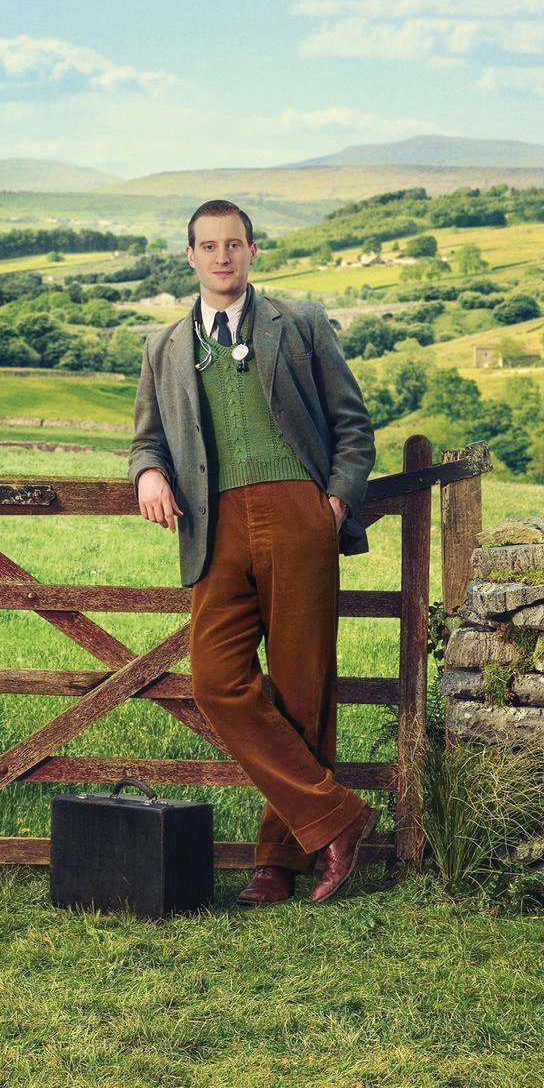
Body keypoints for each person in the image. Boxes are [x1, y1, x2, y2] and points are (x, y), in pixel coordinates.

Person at [128, 199, 379, 905]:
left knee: (303, 689)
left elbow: (352, 426)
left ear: (252, 251)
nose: (221, 257)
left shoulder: (299, 326)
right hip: (213, 526)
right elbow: (147, 438)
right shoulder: (165, 347)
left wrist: (332, 499)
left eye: (233, 244)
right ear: (190, 257)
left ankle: (279, 861)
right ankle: (339, 818)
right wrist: (147, 472)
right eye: (208, 246)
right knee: (215, 680)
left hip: (298, 515)